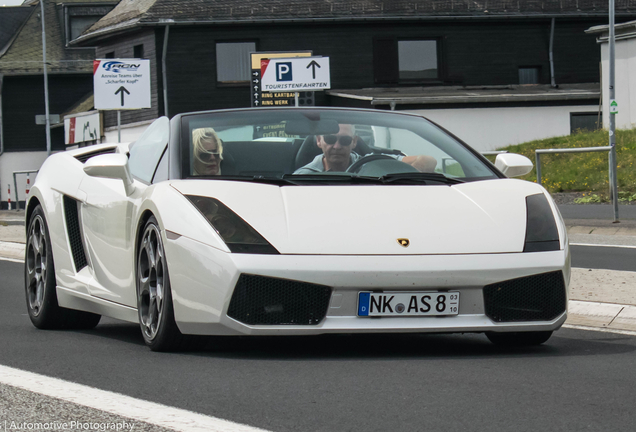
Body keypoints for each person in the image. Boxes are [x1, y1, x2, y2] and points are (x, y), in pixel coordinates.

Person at [293, 124, 437, 174]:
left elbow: (428, 161)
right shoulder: (301, 176)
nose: (337, 146)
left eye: (345, 140)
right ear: (319, 141)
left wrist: (409, 179)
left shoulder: (373, 164)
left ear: (354, 142)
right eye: (330, 139)